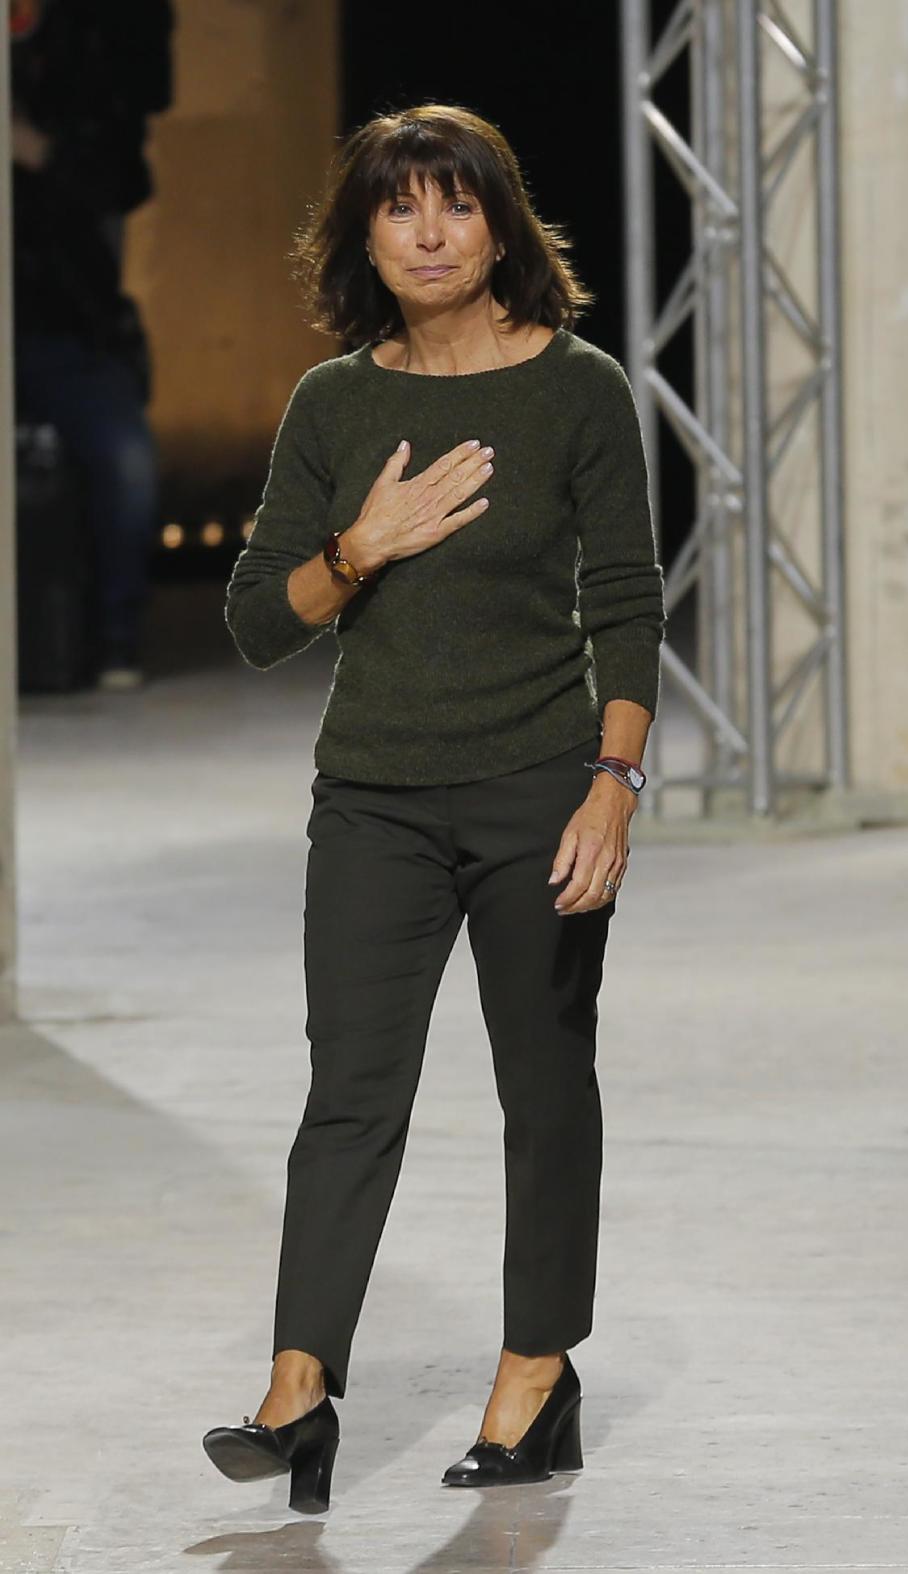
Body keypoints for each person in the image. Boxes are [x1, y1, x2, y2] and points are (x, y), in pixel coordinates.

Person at [201, 103, 666, 1515]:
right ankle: (297, 1391)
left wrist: (616, 783)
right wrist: (364, 545)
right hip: (375, 804)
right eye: (397, 209)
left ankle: (536, 1369)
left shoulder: (578, 390)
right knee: (349, 1092)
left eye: (454, 205)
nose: (427, 232)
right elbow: (253, 622)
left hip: (540, 788)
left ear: (500, 220)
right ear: (363, 238)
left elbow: (629, 606)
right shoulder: (334, 406)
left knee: (544, 1087)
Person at [10, 0, 174, 689]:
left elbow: (118, 180)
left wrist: (31, 147)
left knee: (126, 461)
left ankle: (115, 640)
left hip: (61, 324)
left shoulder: (92, 43)